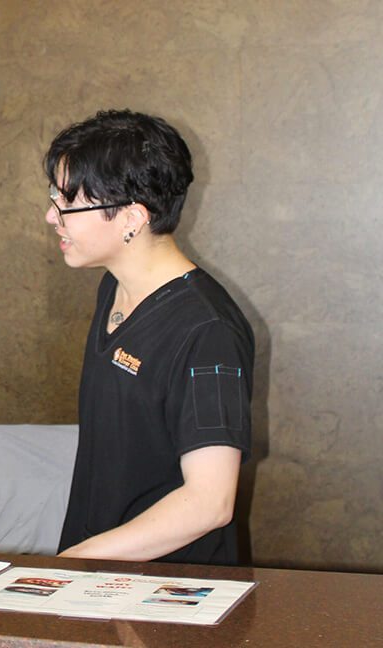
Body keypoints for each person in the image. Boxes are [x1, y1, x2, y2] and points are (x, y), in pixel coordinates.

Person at [42, 110, 254, 564]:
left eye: (68, 203)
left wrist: (77, 561)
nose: (51, 216)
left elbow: (209, 502)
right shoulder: (114, 287)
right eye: (53, 197)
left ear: (132, 218)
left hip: (168, 588)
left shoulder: (206, 330)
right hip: (100, 570)